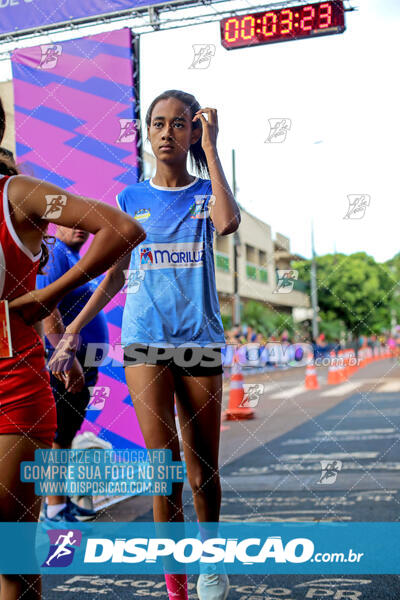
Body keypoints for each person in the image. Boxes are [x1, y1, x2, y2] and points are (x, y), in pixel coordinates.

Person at [49, 89, 240, 600]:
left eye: (180, 124)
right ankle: (175, 583)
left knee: (202, 469)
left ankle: (211, 565)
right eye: (157, 124)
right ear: (147, 131)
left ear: (193, 132)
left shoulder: (206, 194)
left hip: (199, 342)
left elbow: (227, 223)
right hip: (144, 343)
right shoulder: (130, 200)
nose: (166, 133)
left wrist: (215, 150)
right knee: (165, 468)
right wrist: (71, 331)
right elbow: (114, 275)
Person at [0, 98, 145, 600]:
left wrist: (46, 299)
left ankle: (63, 509)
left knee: (10, 555)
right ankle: (62, 508)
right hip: (54, 359)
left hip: (13, 384)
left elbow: (124, 231)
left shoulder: (16, 195)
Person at [36, 225, 110, 523]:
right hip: (65, 365)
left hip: (79, 364)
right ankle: (53, 510)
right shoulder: (55, 252)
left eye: (84, 225)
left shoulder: (73, 258)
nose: (80, 228)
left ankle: (59, 503)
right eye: (72, 223)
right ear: (57, 225)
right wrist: (64, 357)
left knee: (64, 437)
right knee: (57, 437)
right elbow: (47, 306)